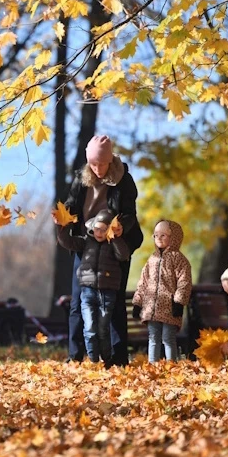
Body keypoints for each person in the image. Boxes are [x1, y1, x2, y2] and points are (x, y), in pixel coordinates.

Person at [61, 135, 144, 365]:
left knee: (115, 301)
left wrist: (119, 228)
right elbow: (71, 205)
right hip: (86, 244)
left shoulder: (123, 180)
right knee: (78, 301)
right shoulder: (81, 178)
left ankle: (118, 358)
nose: (97, 168)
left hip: (114, 246)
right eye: (93, 164)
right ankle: (75, 355)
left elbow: (129, 214)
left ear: (110, 161)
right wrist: (64, 219)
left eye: (101, 163)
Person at [57, 209, 131, 364]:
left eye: (104, 230)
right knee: (90, 328)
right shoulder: (85, 242)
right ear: (92, 228)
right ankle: (93, 360)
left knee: (103, 328)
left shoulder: (114, 244)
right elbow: (66, 241)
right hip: (88, 291)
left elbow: (123, 255)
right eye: (97, 228)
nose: (99, 233)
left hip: (107, 293)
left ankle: (107, 358)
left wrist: (115, 238)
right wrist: (62, 227)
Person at [131, 220, 192, 362]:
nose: (159, 238)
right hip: (152, 307)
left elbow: (184, 282)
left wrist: (179, 301)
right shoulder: (152, 260)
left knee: (168, 338)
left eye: (163, 235)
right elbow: (143, 283)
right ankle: (153, 367)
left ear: (174, 237)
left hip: (170, 307)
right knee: (153, 337)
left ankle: (171, 367)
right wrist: (137, 302)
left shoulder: (179, 259)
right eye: (156, 235)